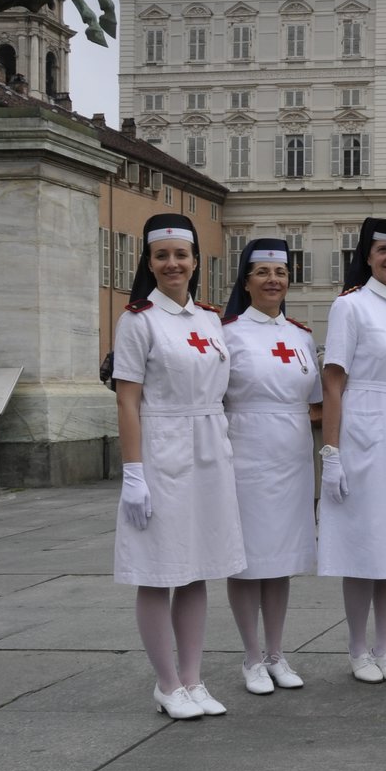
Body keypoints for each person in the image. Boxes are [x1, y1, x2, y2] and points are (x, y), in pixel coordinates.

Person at [112, 213, 246, 719]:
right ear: (149, 262)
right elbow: (127, 400)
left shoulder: (211, 321)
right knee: (158, 569)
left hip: (209, 447)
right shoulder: (138, 321)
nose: (173, 264)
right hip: (162, 446)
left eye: (182, 255)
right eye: (162, 255)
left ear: (195, 262)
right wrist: (133, 472)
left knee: (197, 570)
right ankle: (166, 683)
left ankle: (193, 679)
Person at [318, 218, 386, 684]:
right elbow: (333, 380)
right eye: (382, 250)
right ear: (366, 255)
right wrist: (330, 452)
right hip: (364, 427)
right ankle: (358, 647)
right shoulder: (351, 307)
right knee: (364, 541)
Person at [220, 237, 320, 695]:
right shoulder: (229, 333)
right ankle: (251, 657)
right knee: (248, 561)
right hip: (247, 453)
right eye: (262, 272)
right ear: (246, 281)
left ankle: (277, 653)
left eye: (280, 273)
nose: (273, 280)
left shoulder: (301, 337)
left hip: (293, 456)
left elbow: (316, 402)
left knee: (280, 561)